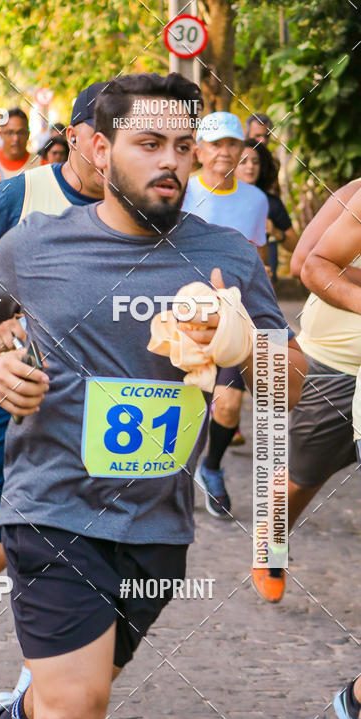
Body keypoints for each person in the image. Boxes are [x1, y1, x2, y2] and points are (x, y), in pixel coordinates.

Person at [0, 73, 305, 719]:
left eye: (183, 146)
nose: (171, 162)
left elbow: (290, 383)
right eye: (150, 144)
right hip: (50, 505)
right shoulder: (39, 242)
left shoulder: (226, 256)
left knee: (73, 696)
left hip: (156, 523)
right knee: (76, 711)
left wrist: (244, 347)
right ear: (100, 151)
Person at [0, 80, 107, 628]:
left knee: (89, 536)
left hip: (102, 401)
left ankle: (61, 649)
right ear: (74, 136)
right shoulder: (24, 193)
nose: (111, 150)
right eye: (100, 135)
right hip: (15, 393)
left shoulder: (142, 206)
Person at [252, 179, 361, 603]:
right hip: (335, 361)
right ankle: (271, 540)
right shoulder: (354, 192)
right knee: (304, 475)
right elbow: (305, 264)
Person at [181, 112, 269, 518]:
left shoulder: (255, 199)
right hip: (182, 317)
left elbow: (257, 257)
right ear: (199, 150)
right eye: (215, 144)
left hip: (236, 318)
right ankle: (167, 477)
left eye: (232, 143)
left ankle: (211, 467)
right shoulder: (181, 190)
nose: (224, 152)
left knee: (230, 404)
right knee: (184, 402)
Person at [237, 138, 298, 279]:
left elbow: (295, 244)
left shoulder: (271, 203)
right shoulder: (220, 198)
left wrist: (275, 232)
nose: (250, 167)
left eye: (255, 162)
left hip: (261, 277)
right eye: (243, 162)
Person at [0, 108, 40, 179]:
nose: (16, 139)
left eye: (21, 133)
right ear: (1, 134)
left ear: (28, 134)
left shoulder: (42, 165)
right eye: (10, 133)